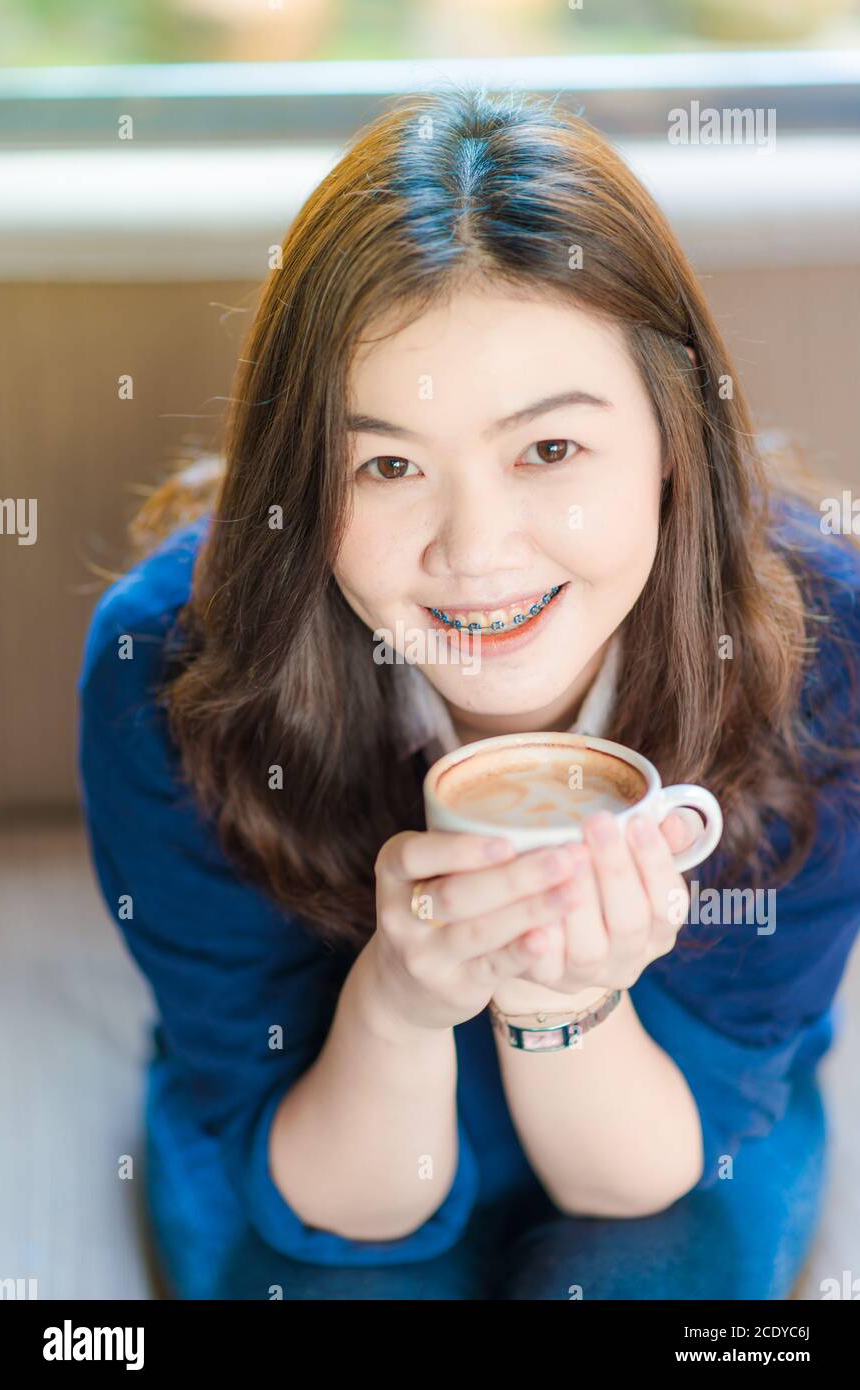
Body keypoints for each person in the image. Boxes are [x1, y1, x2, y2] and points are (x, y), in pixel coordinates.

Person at [77, 86, 860, 1300]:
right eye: (387, 464)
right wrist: (393, 1003)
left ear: (673, 440)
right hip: (319, 1125)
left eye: (550, 449)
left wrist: (566, 1002)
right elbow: (336, 1206)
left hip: (675, 1125)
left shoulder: (829, 650)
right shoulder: (169, 666)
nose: (475, 552)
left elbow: (633, 1184)